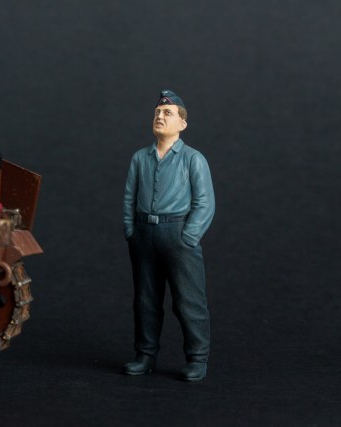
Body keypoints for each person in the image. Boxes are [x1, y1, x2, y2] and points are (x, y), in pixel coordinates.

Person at [122, 89, 215, 381]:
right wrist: (130, 230)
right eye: (157, 113)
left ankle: (197, 358)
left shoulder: (193, 159)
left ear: (182, 123)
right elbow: (129, 197)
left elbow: (205, 203)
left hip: (177, 234)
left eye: (168, 113)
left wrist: (189, 237)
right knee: (145, 300)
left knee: (189, 300)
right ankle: (145, 354)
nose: (160, 117)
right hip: (144, 234)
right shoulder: (140, 158)